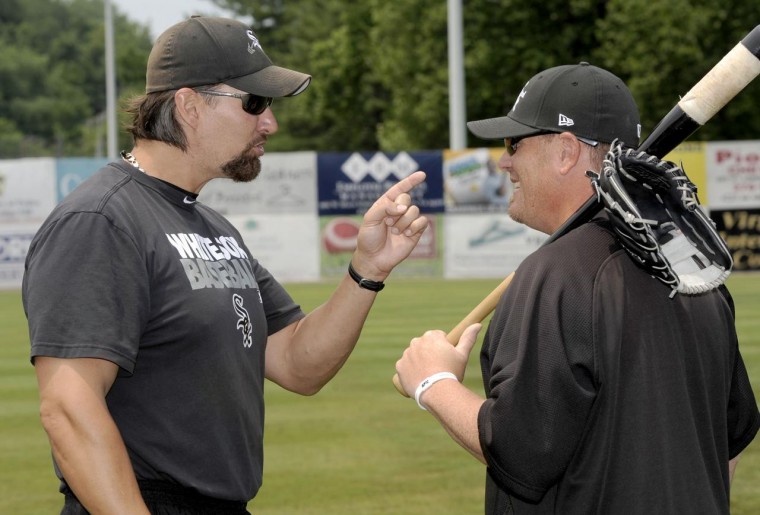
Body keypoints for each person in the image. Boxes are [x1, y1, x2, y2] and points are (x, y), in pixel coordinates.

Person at [23, 16, 428, 514]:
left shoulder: (214, 228)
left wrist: (368, 269)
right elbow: (68, 406)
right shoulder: (100, 220)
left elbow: (299, 365)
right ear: (189, 105)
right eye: (254, 103)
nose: (270, 123)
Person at [395, 62, 760, 514]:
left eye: (514, 144)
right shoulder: (693, 270)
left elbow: (519, 451)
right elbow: (730, 442)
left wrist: (433, 382)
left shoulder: (555, 275)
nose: (504, 161)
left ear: (566, 151)